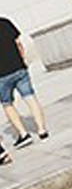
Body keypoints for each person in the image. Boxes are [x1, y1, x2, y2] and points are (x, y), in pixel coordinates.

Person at [0, 16, 48, 147]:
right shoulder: (5, 22)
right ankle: (42, 130)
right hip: (19, 68)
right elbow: (19, 43)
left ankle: (23, 134)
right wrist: (22, 60)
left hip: (1, 75)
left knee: (7, 104)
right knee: (30, 98)